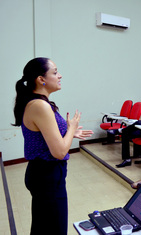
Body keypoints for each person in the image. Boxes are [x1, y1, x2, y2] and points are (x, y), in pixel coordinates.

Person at [12, 57, 93, 235]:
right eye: (55, 72)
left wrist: (70, 133)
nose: (60, 76)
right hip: (47, 175)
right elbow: (59, 151)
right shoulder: (40, 105)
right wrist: (71, 129)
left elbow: (47, 137)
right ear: (41, 79)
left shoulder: (38, 102)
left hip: (42, 174)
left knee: (43, 227)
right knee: (54, 229)